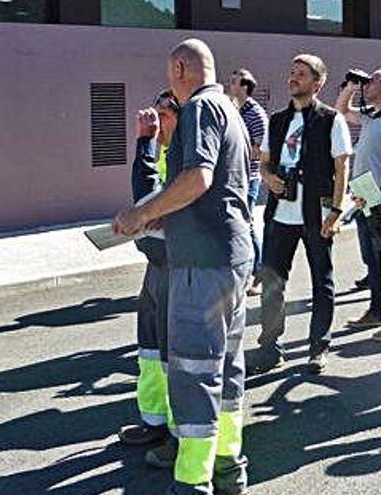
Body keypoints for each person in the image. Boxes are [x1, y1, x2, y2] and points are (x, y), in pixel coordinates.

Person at [114, 38, 253, 495]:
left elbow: (198, 177)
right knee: (227, 369)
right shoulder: (231, 108)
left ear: (178, 68)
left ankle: (193, 482)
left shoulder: (198, 109)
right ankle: (230, 466)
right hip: (231, 258)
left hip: (203, 264)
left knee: (193, 374)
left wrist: (142, 212)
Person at [249, 54, 352, 376]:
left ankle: (318, 349)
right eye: (292, 72)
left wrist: (335, 212)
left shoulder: (330, 119)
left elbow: (342, 166)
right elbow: (263, 162)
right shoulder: (277, 120)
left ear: (317, 83)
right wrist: (268, 178)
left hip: (317, 214)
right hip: (281, 212)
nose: (293, 78)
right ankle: (269, 349)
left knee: (322, 282)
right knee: (272, 282)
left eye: (302, 74)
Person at [117, 90, 179, 448]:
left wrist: (144, 143)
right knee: (151, 349)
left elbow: (148, 195)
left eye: (165, 115)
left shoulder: (187, 157)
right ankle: (154, 420)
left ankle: (177, 430)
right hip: (155, 264)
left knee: (173, 352)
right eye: (154, 114)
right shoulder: (164, 151)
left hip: (177, 263)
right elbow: (144, 200)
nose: (156, 122)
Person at [335, 69, 381, 341]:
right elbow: (340, 111)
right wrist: (352, 85)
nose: (368, 84)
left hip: (380, 199)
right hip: (363, 194)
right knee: (371, 260)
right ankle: (377, 310)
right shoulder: (371, 116)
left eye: (373, 80)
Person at [227, 68, 269, 296]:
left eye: (234, 81)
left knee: (247, 224)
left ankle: (260, 273)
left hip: (250, 177)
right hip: (236, 176)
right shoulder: (235, 110)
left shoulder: (255, 113)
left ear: (245, 86)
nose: (229, 84)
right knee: (241, 224)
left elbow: (264, 149)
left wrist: (236, 151)